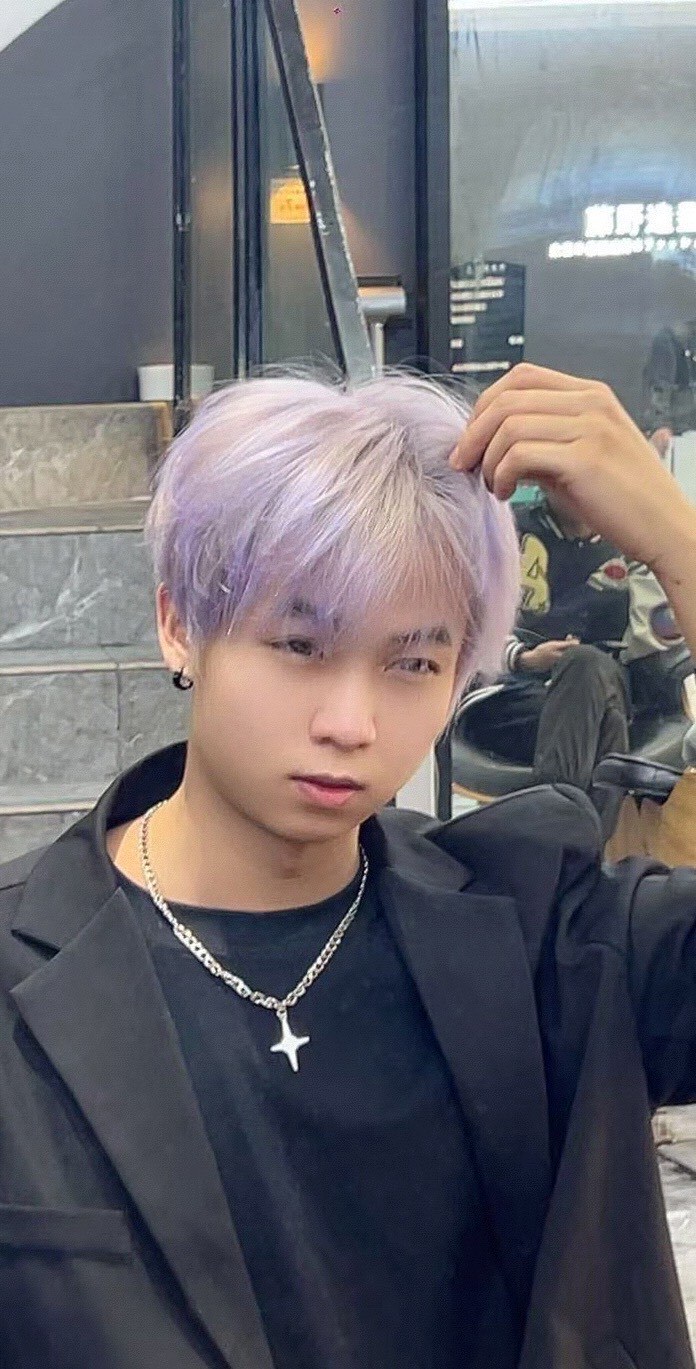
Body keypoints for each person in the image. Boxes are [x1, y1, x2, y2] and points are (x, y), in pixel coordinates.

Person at [2, 363, 696, 1369]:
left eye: (412, 663)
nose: (350, 722)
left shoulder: (548, 934)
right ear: (179, 623)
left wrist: (682, 547)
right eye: (300, 644)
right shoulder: (24, 972)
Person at [465, 481, 691, 840]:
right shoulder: (509, 530)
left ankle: (553, 846)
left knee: (586, 666)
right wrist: (525, 658)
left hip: (602, 682)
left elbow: (655, 643)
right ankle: (580, 855)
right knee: (606, 723)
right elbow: (472, 623)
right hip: (519, 697)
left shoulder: (631, 541)